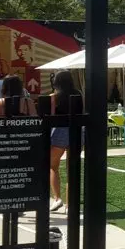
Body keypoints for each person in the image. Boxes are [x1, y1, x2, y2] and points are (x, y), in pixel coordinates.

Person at [49, 71, 83, 212]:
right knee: (72, 169)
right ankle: (70, 205)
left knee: (52, 166)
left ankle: (57, 199)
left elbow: (50, 117)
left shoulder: (54, 96)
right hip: (77, 130)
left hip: (60, 130)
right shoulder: (79, 94)